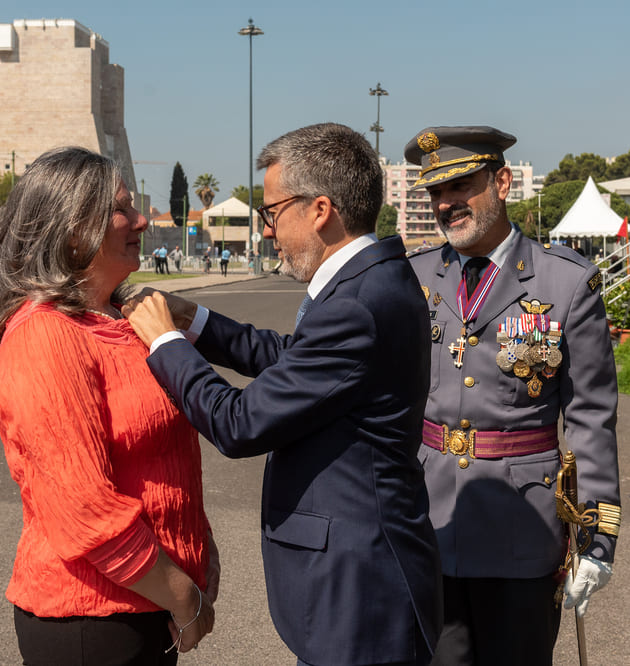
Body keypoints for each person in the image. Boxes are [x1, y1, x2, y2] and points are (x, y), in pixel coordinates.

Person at [124, 123, 442, 665]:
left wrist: (165, 343)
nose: (268, 230)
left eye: (272, 212)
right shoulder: (371, 281)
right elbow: (292, 357)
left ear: (320, 210)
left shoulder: (356, 303)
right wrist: (194, 320)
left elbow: (239, 423)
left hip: (359, 590)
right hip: (361, 579)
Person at [0, 146, 216, 664]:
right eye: (122, 208)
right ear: (72, 228)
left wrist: (198, 553)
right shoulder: (45, 335)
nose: (141, 219)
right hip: (92, 617)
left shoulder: (118, 321)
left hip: (143, 602)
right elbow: (85, 512)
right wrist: (183, 595)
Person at [404, 126, 622, 665]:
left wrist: (598, 534)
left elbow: (591, 414)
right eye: (435, 192)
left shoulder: (565, 282)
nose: (446, 203)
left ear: (502, 182)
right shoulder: (413, 277)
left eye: (461, 186)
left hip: (521, 529)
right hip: (431, 520)